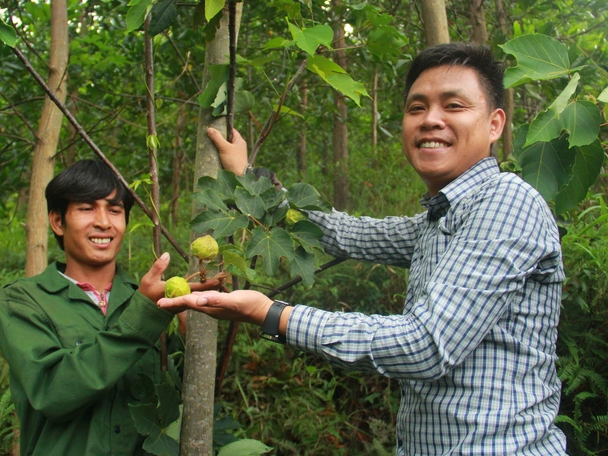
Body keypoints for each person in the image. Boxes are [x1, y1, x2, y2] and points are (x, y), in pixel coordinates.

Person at [159, 43, 567, 455]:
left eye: (454, 105)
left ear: (495, 124)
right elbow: (349, 233)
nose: (431, 121)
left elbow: (425, 345)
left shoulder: (506, 201)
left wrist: (273, 314)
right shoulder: (442, 218)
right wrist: (252, 181)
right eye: (416, 108)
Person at [0, 159, 221, 455]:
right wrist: (144, 316)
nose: (103, 222)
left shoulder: (150, 299)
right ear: (58, 221)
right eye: (87, 208)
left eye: (115, 210)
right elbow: (52, 391)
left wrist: (188, 332)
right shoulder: (24, 301)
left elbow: (179, 399)